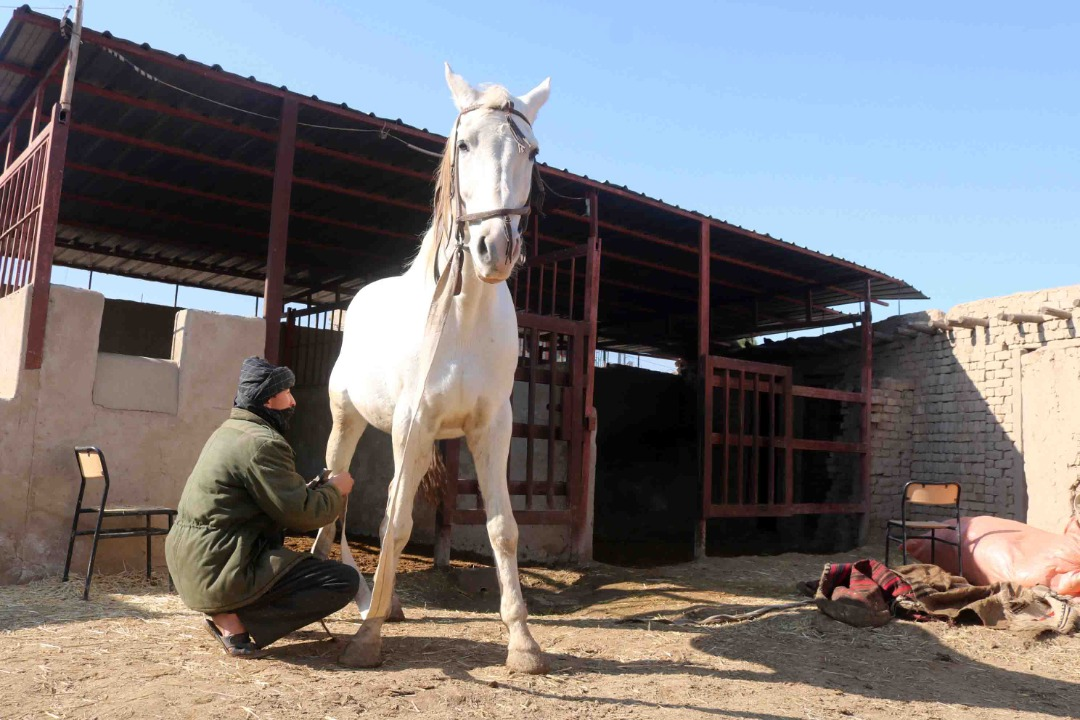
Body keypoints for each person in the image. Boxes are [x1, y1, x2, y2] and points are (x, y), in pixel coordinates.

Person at [165, 356, 359, 659]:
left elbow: (259, 502)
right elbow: (304, 516)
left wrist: (307, 490)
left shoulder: (229, 432)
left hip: (196, 563)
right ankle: (233, 623)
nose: (293, 401)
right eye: (287, 393)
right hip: (218, 569)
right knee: (341, 580)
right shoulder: (263, 444)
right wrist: (336, 490)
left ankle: (232, 612)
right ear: (269, 399)